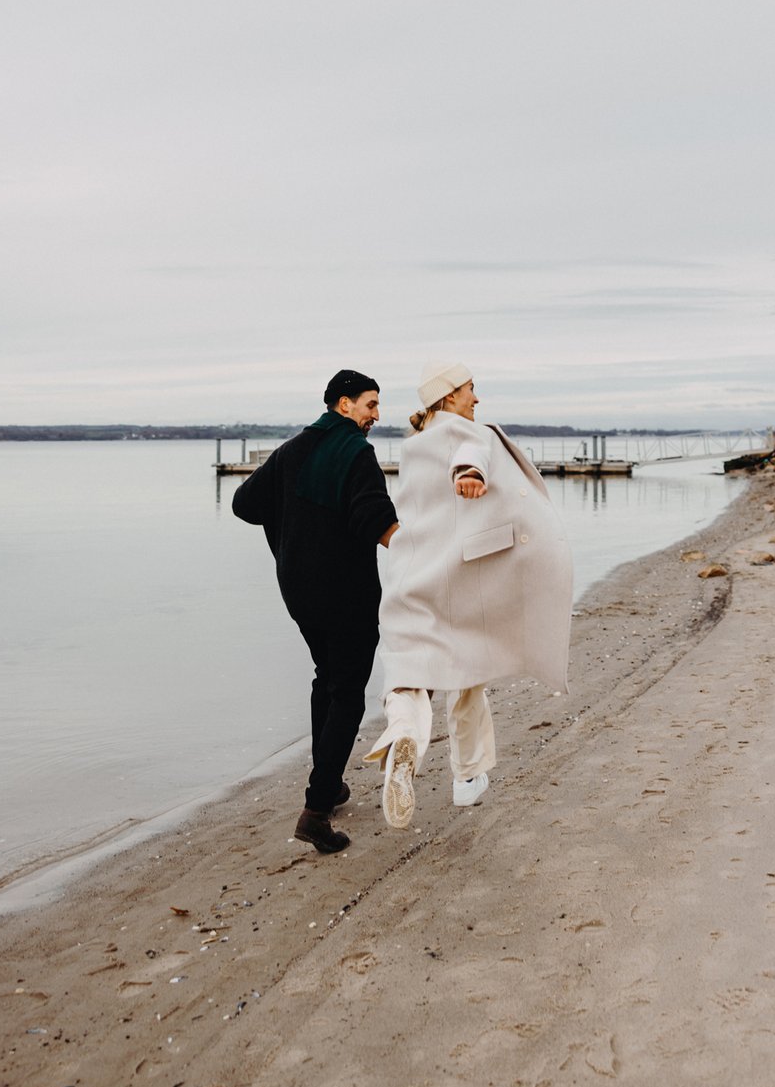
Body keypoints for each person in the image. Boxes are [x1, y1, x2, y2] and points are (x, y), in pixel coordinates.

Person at [364, 361, 573, 828]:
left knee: (405, 669)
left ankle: (404, 738)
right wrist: (470, 476)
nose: (476, 399)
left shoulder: (414, 446)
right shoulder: (464, 431)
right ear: (450, 397)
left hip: (410, 574)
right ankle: (467, 778)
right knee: (464, 671)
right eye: (471, 390)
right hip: (456, 576)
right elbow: (470, 455)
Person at [232, 369, 399, 854]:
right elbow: (374, 518)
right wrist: (419, 553)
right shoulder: (356, 451)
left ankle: (329, 781)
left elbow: (245, 503)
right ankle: (317, 809)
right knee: (348, 692)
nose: (375, 414)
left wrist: (295, 531)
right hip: (345, 593)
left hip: (298, 590)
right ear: (342, 405)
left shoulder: (291, 449)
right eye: (370, 404)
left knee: (326, 678)